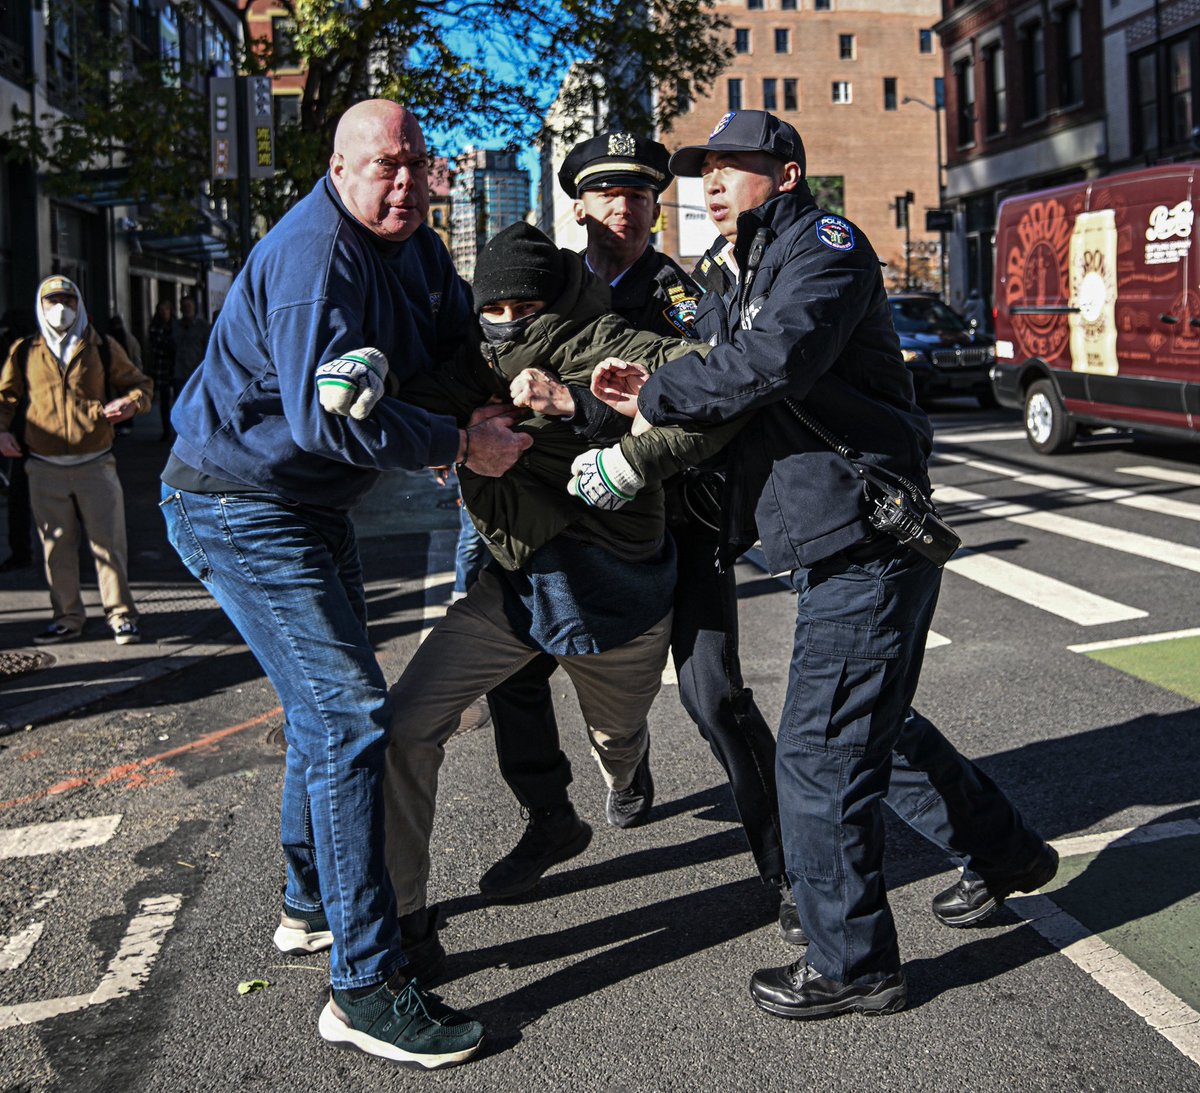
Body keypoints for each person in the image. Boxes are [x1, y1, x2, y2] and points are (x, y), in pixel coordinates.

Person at [599, 110, 1058, 1019]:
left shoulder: (826, 247)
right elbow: (722, 386)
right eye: (706, 169)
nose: (712, 181)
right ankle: (1007, 854)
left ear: (789, 172)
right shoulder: (740, 268)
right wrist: (634, 410)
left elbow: (772, 362)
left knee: (816, 756)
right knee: (872, 729)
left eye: (732, 165)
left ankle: (853, 960)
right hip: (823, 541)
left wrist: (658, 391)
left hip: (868, 541)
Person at [159, 99, 531, 1069]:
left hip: (308, 502)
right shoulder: (316, 259)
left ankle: (309, 905)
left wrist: (495, 396)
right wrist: (458, 444)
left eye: (414, 161)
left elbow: (454, 344)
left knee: (322, 704)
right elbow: (326, 421)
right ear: (338, 169)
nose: (401, 180)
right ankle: (364, 985)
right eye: (381, 165)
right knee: (350, 715)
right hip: (237, 502)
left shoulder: (417, 246)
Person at [368, 220, 746, 952]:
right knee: (404, 723)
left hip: (615, 600)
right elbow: (417, 401)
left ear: (553, 300)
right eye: (494, 310)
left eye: (523, 310)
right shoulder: (474, 357)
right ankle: (406, 925)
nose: (506, 325)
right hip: (517, 587)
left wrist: (580, 402)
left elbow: (711, 380)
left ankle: (628, 775)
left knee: (618, 737)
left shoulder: (600, 337)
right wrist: (451, 429)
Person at [475, 130, 795, 951]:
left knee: (713, 691)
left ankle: (790, 868)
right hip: (557, 520)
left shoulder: (681, 299)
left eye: (642, 193)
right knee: (511, 671)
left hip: (677, 518)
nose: (626, 206)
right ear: (578, 205)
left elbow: (716, 402)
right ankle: (550, 816)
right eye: (608, 193)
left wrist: (605, 429)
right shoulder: (546, 283)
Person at [0, 276, 152, 644]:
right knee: (56, 549)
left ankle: (120, 615)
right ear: (40, 305)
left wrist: (131, 403)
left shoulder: (101, 346)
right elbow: (5, 397)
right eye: (52, 301)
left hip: (95, 462)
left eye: (67, 300)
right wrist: (1, 431)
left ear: (79, 303)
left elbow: (140, 384)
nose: (60, 308)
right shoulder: (25, 351)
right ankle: (67, 617)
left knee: (108, 544)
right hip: (44, 466)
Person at [0, 307, 37, 571]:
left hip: (24, 431)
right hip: (30, 430)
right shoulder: (26, 348)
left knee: (19, 497)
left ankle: (21, 551)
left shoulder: (18, 349)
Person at [147, 300, 176, 441]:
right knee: (164, 401)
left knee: (177, 399)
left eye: (166, 310)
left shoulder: (175, 326)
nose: (164, 313)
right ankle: (166, 430)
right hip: (162, 368)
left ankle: (176, 430)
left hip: (176, 367)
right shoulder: (155, 328)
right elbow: (159, 345)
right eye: (162, 310)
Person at [171, 295, 210, 384]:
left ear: (194, 308)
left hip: (196, 372)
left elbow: (208, 348)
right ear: (180, 308)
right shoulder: (176, 326)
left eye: (189, 306)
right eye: (184, 306)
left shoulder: (203, 326)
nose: (186, 309)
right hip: (179, 372)